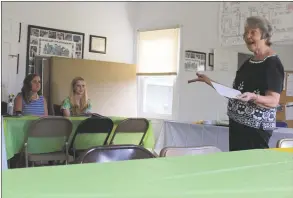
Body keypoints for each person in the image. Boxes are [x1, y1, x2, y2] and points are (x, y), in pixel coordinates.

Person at [190, 16, 284, 151]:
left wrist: (254, 97)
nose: (248, 36)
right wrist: (209, 81)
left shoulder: (272, 63)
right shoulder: (249, 62)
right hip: (237, 125)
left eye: (253, 32)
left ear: (264, 35)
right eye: (246, 33)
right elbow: (237, 93)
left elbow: (273, 101)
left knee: (251, 168)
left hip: (255, 129)